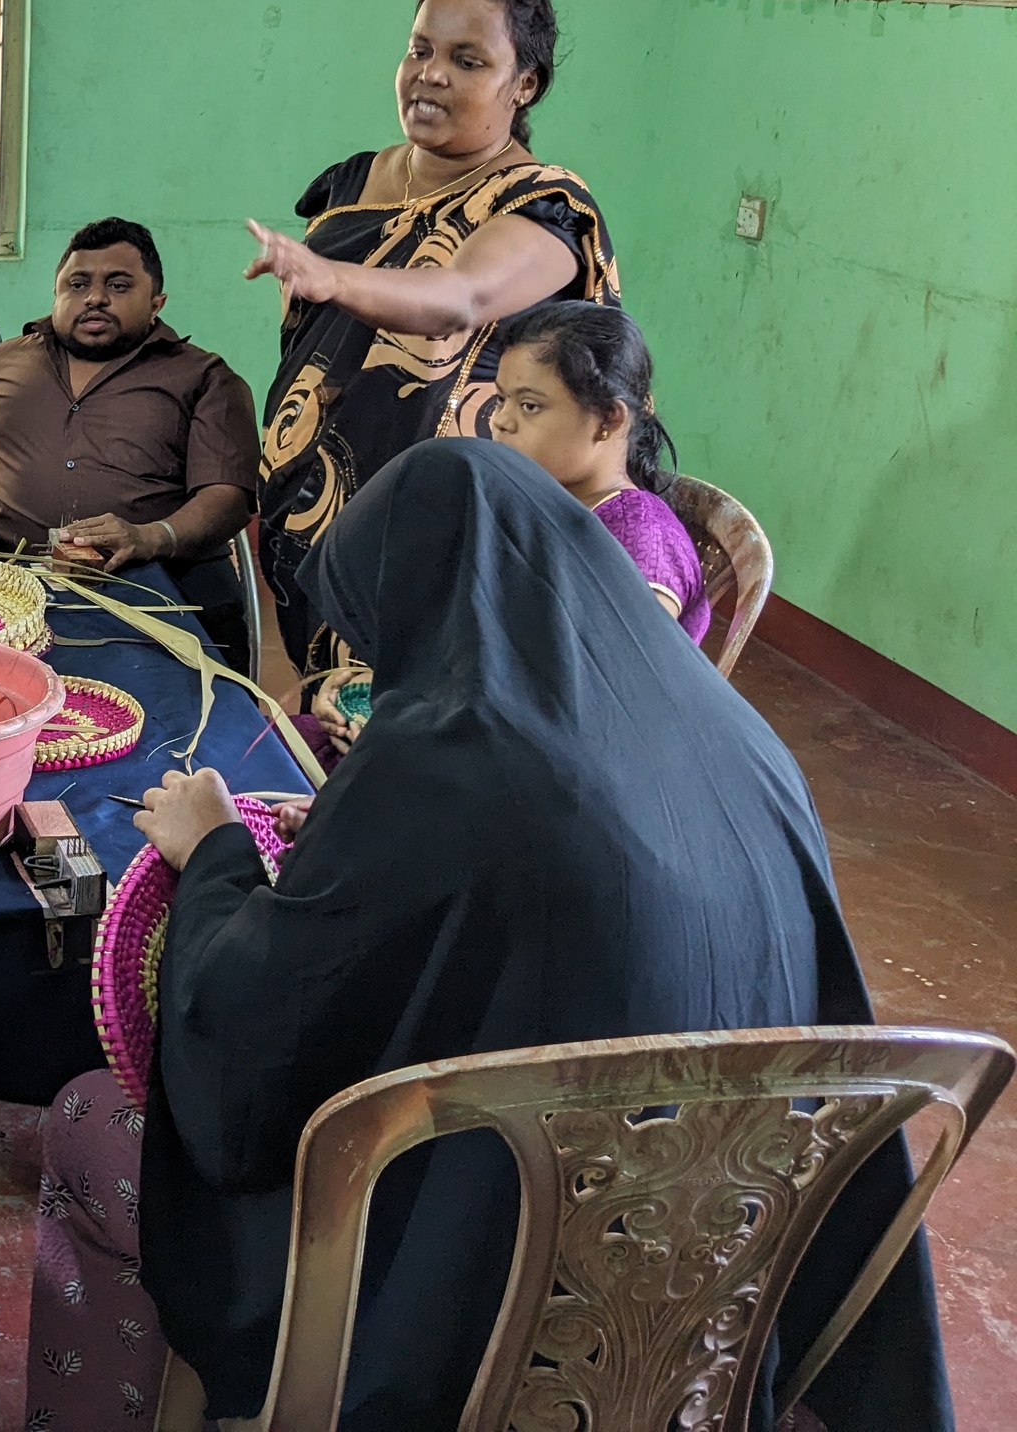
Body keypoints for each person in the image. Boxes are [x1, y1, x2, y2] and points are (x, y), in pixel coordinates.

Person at [114, 439, 946, 1432]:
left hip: (488, 1307)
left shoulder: (445, 762)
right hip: (727, 1265)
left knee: (108, 1133)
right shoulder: (741, 733)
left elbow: (258, 1034)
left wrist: (214, 853)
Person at [246, 0, 618, 674]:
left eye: (466, 60)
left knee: (418, 722)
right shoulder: (354, 180)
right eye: (420, 49)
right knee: (338, 725)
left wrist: (328, 274)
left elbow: (459, 299)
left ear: (525, 83)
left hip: (451, 534)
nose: (430, 74)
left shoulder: (543, 205)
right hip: (319, 518)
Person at [0, 219, 260, 668]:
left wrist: (148, 537)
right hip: (17, 594)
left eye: (118, 284)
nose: (95, 297)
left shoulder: (206, 379)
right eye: (78, 284)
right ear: (56, 293)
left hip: (161, 594)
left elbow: (228, 497)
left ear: (157, 304)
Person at [494, 299, 711, 642]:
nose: (501, 421)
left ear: (609, 419)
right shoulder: (544, 499)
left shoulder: (640, 540)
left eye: (529, 406)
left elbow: (623, 682)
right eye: (500, 399)